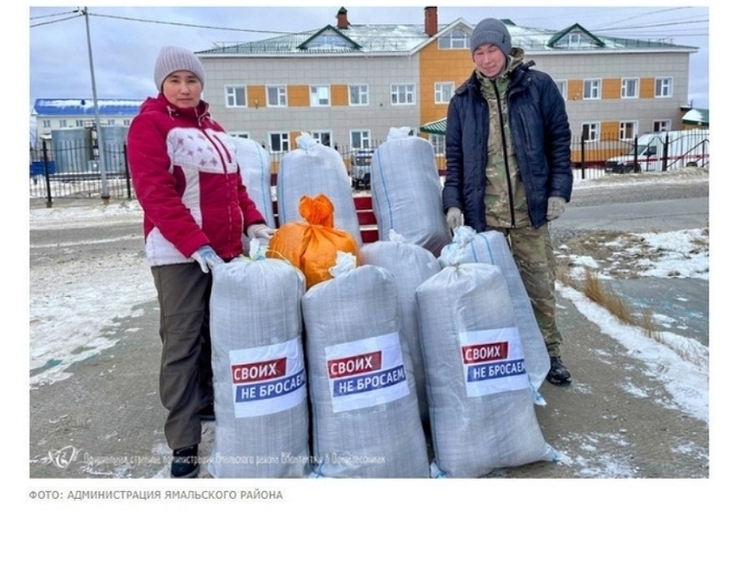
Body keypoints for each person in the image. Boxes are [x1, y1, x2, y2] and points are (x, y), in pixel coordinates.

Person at [127, 45, 275, 477]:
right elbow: (156, 195)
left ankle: (208, 404)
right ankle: (184, 442)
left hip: (224, 253)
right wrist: (196, 245)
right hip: (178, 256)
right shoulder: (149, 126)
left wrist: (254, 224)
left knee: (217, 336)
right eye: (175, 80)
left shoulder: (213, 128)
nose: (185, 88)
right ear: (161, 84)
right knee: (183, 343)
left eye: (191, 80)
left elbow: (236, 189)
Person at [442, 18, 574, 386]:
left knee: (539, 285)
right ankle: (513, 354)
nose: (486, 59)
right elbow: (455, 159)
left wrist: (558, 191)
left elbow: (559, 143)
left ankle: (550, 352)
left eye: (492, 50)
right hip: (487, 217)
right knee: (495, 293)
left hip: (531, 211)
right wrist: (453, 204)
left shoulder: (538, 87)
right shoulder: (463, 100)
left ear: (506, 47)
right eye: (479, 52)